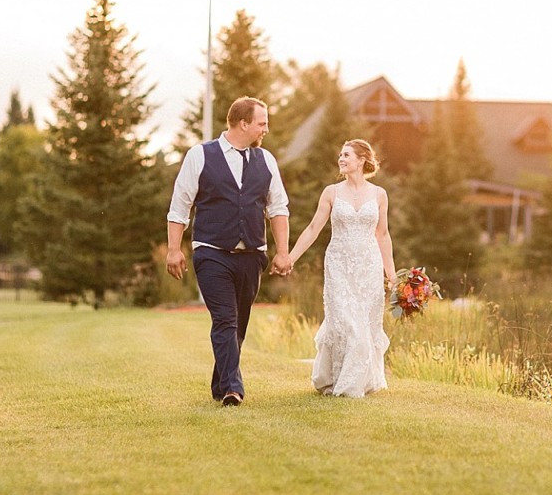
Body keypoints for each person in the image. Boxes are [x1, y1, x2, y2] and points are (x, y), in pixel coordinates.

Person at [165, 96, 292, 406]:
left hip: (252, 254)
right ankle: (234, 389)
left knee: (239, 323)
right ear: (243, 123)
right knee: (225, 319)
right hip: (211, 252)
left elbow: (278, 208)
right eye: (262, 122)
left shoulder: (266, 160)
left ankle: (221, 383)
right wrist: (173, 249)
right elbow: (180, 205)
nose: (266, 128)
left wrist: (282, 251)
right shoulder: (200, 155)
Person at [288, 139, 395, 397]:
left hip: (369, 266)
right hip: (338, 265)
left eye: (346, 155)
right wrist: (290, 257)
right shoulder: (331, 192)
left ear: (361, 160)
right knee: (345, 322)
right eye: (340, 155)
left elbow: (383, 235)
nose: (341, 159)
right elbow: (314, 228)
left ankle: (355, 381)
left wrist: (390, 273)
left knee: (364, 323)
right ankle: (342, 382)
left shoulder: (379, 194)